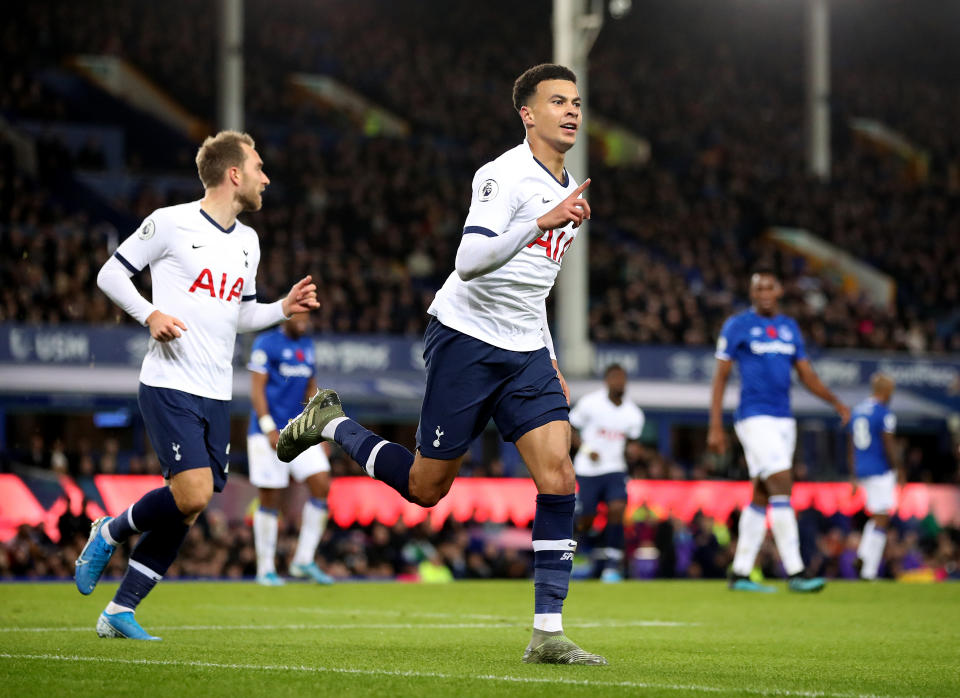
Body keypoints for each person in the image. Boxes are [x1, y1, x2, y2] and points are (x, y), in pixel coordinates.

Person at [277, 64, 605, 665]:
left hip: (526, 349)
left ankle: (547, 633)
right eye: (558, 102)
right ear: (527, 114)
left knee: (558, 474)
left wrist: (552, 358)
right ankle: (331, 424)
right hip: (466, 338)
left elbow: (534, 291)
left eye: (578, 103)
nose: (572, 112)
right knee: (427, 489)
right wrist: (540, 223)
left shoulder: (573, 190)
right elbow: (471, 258)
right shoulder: (501, 176)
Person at [77, 130, 319, 640]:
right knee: (192, 492)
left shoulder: (248, 241)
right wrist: (149, 314)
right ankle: (110, 530)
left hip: (214, 393)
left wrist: (281, 309)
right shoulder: (170, 222)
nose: (265, 177)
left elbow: (241, 312)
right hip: (168, 382)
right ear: (234, 174)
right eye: (258, 167)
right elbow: (110, 276)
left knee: (188, 508)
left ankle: (120, 611)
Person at [707, 267, 850, 593]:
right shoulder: (737, 325)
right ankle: (796, 571)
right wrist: (715, 425)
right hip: (754, 418)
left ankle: (741, 573)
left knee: (762, 492)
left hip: (784, 420)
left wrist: (836, 402)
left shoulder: (789, 328)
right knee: (783, 481)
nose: (764, 294)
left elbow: (806, 374)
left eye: (769, 288)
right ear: (752, 293)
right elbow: (720, 378)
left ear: (779, 291)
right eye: (758, 289)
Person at [247, 312, 333, 586]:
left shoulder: (307, 346)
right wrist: (268, 426)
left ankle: (303, 560)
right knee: (270, 498)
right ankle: (265, 570)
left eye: (308, 317)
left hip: (298, 430)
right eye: (300, 316)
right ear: (286, 315)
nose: (305, 321)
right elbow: (257, 389)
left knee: (321, 482)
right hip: (266, 433)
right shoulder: (266, 343)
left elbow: (310, 388)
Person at [569, 363, 644, 582]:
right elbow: (570, 427)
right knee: (586, 518)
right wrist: (585, 449)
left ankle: (612, 562)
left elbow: (633, 443)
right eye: (615, 378)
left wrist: (633, 451)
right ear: (607, 380)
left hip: (615, 468)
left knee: (618, 508)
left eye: (622, 378)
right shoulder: (591, 403)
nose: (619, 382)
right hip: (588, 469)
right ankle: (579, 554)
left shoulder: (633, 414)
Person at [848, 372, 902, 580]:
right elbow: (889, 444)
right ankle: (868, 570)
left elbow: (850, 445)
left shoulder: (858, 410)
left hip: (862, 467)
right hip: (880, 469)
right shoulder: (884, 413)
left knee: (877, 516)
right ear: (884, 390)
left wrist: (853, 474)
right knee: (882, 519)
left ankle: (862, 556)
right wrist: (898, 469)